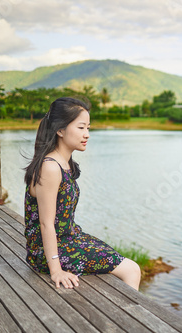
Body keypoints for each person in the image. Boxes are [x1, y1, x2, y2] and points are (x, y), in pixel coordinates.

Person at [24, 97, 141, 290]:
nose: (87, 134)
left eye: (88, 128)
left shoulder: (65, 163)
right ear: (60, 130)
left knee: (118, 259)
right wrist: (56, 270)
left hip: (68, 238)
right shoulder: (50, 168)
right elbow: (46, 223)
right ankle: (130, 319)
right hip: (48, 251)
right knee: (132, 269)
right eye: (81, 128)